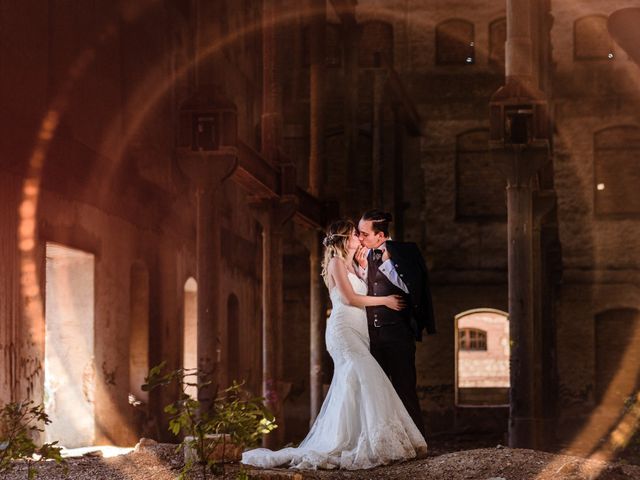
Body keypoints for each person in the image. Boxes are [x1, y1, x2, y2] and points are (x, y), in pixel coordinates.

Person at [242, 219, 427, 470]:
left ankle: (354, 436)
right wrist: (385, 300)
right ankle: (371, 440)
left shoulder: (352, 264)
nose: (359, 238)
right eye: (354, 234)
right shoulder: (336, 263)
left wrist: (362, 268)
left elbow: (360, 290)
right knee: (368, 376)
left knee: (352, 383)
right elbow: (350, 298)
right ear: (343, 239)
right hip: (343, 329)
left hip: (359, 329)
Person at [355, 209, 436, 439]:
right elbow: (360, 291)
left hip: (399, 335)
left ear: (380, 236)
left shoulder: (406, 251)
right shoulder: (362, 255)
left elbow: (414, 289)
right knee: (375, 391)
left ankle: (417, 441)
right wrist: (362, 267)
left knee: (404, 389)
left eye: (364, 234)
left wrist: (387, 264)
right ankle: (383, 440)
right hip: (371, 336)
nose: (360, 238)